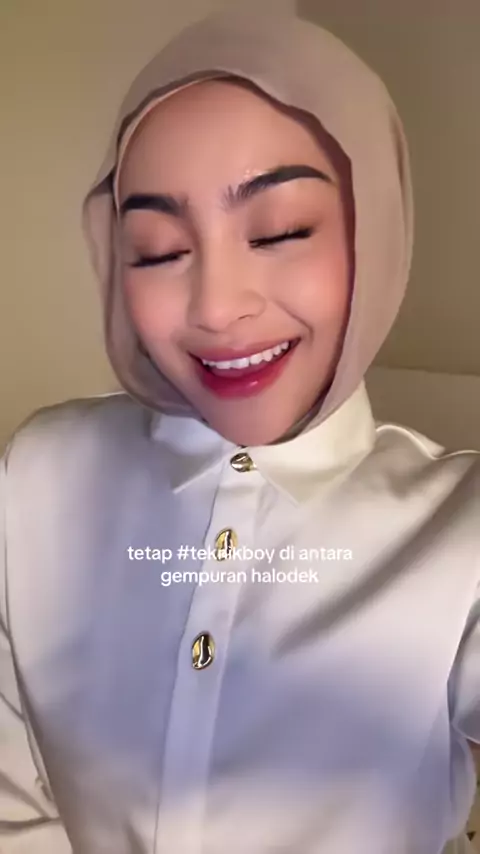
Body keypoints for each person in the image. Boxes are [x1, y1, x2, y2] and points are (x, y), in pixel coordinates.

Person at [0, 4, 479, 852]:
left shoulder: (461, 529)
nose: (217, 308)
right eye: (157, 249)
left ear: (375, 229)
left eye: (281, 231)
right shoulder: (39, 475)